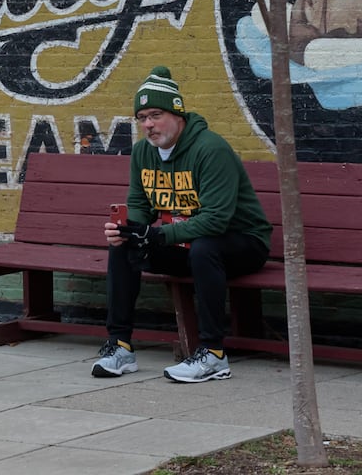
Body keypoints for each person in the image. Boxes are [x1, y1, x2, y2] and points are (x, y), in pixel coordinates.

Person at [92, 65, 272, 383]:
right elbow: (139, 206)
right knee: (122, 246)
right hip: (183, 242)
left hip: (241, 242)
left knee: (204, 249)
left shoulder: (210, 149)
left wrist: (159, 235)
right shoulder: (142, 154)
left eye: (155, 115)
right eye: (142, 117)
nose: (148, 124)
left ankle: (214, 354)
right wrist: (128, 228)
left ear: (178, 113)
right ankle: (120, 347)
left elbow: (216, 220)